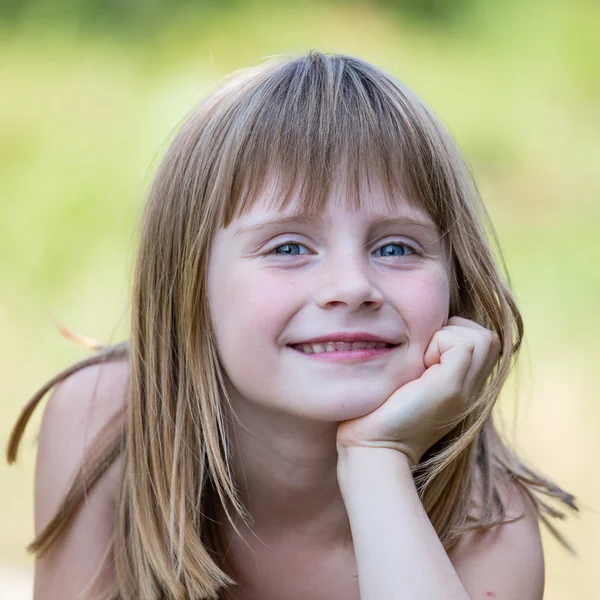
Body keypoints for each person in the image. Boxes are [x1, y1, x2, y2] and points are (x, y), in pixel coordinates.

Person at [6, 51, 577, 600]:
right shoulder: (104, 422)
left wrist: (377, 460)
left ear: (456, 280)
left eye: (398, 247)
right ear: (189, 285)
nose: (352, 286)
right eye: (288, 246)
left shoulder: (488, 521)